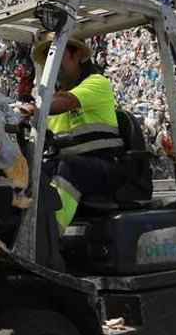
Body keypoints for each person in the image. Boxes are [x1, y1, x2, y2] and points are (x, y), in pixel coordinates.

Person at [20, 32, 125, 229]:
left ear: (77, 55)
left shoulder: (96, 83)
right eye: (50, 58)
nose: (53, 63)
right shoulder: (52, 101)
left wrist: (32, 108)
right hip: (74, 164)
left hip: (106, 165)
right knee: (31, 172)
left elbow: (67, 101)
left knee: (68, 168)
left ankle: (48, 234)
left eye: (58, 55)